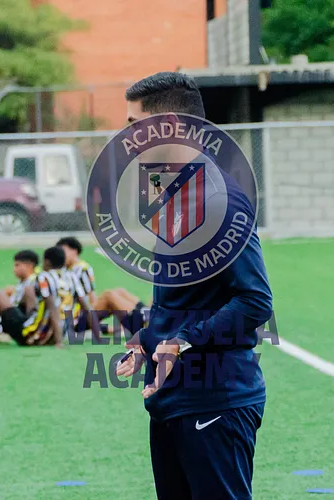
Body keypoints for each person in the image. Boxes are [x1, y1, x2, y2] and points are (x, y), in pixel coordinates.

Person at [116, 72, 273, 500]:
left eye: (134, 126)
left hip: (216, 401)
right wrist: (147, 339)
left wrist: (182, 340)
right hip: (171, 398)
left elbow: (255, 300)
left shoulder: (219, 199)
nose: (128, 139)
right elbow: (181, 298)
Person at [0, 247, 87, 348]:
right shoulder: (72, 277)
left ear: (46, 262)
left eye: (17, 265)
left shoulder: (43, 278)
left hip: (33, 335)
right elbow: (86, 305)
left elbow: (52, 308)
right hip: (58, 334)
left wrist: (59, 343)